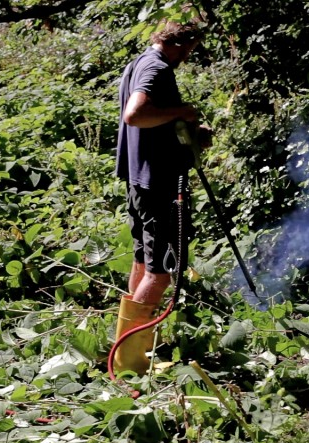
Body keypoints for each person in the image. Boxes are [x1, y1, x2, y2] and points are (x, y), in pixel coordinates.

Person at [113, 17, 210, 375]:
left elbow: (152, 120)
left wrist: (187, 128)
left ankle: (131, 352)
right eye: (190, 49)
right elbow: (135, 115)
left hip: (141, 180)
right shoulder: (156, 67)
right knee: (161, 273)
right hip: (157, 184)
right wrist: (183, 111)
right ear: (180, 43)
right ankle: (127, 361)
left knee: (142, 264)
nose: (188, 55)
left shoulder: (140, 61)